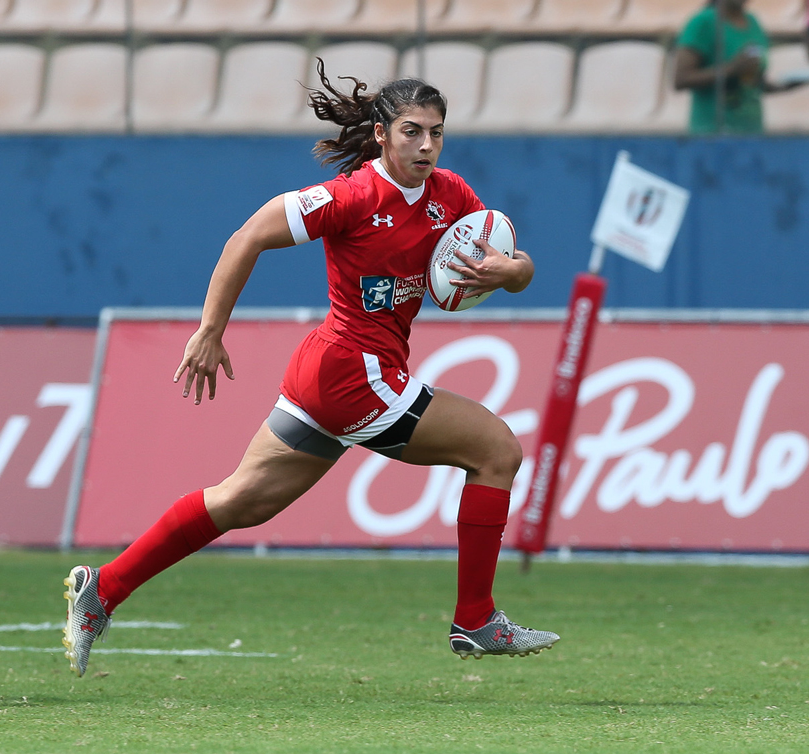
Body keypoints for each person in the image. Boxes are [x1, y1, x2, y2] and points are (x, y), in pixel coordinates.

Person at [61, 65, 561, 678]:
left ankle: (102, 590)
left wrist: (511, 273)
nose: (426, 146)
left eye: (436, 133)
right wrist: (209, 331)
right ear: (382, 134)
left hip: (331, 375)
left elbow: (517, 264)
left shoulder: (451, 196)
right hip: (356, 376)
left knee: (240, 501)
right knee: (497, 451)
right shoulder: (349, 198)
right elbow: (247, 237)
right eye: (411, 132)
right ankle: (476, 620)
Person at [674, 0, 802, 134]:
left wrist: (782, 86)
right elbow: (681, 79)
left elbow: (750, 83)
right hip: (711, 135)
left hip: (753, 133)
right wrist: (731, 69)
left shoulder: (753, 22)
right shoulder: (703, 22)